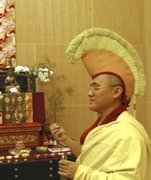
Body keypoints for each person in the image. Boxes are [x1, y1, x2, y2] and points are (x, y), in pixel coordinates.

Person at [50, 28, 151, 179]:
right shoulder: (105, 122)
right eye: (90, 87)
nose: (89, 93)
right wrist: (66, 139)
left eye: (96, 87)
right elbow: (91, 158)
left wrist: (80, 173)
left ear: (116, 92)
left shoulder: (127, 133)